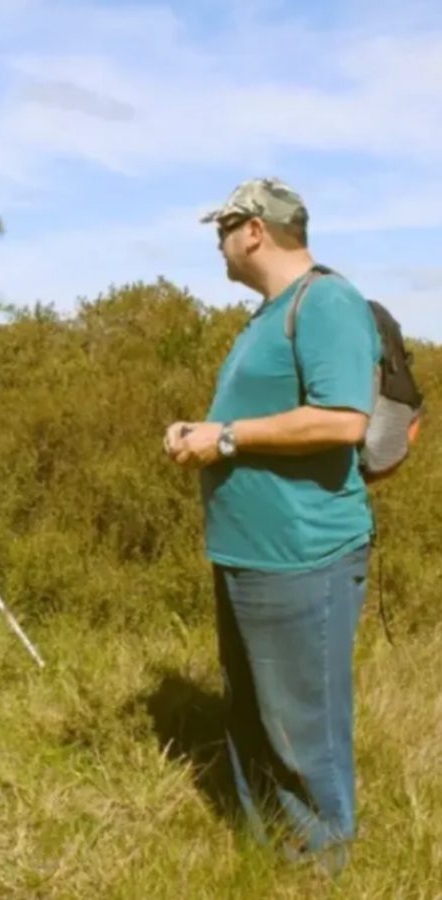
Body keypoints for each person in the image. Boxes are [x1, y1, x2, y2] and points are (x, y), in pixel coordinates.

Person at [164, 178, 381, 874]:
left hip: (302, 555)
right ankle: (265, 864)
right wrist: (203, 430)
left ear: (254, 230)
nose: (217, 244)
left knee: (303, 730)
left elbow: (343, 419)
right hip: (250, 553)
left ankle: (322, 870)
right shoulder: (267, 314)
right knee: (256, 721)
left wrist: (224, 439)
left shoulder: (328, 302)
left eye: (222, 228)